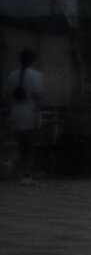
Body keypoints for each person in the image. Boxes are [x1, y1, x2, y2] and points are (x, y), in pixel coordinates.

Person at [6, 49, 43, 186]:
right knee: (30, 146)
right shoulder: (35, 75)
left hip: (16, 113)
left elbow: (8, 96)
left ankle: (19, 171)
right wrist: (38, 115)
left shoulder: (12, 75)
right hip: (29, 113)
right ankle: (27, 174)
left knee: (21, 145)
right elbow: (37, 97)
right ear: (32, 60)